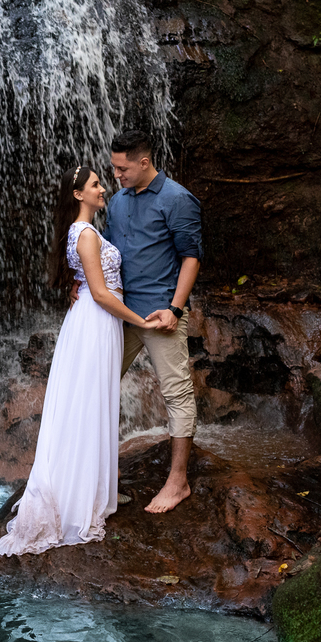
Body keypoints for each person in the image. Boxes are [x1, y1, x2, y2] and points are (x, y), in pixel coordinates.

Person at [0, 165, 162, 556]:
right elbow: (101, 294)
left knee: (91, 402)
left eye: (102, 182)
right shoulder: (85, 234)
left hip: (95, 321)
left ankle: (92, 490)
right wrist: (142, 321)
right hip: (96, 320)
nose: (104, 189)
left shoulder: (84, 233)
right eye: (96, 185)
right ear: (77, 195)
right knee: (88, 404)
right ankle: (79, 498)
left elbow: (90, 284)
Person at [103, 129, 203, 513]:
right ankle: (102, 476)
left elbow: (191, 256)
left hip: (162, 315)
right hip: (122, 315)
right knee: (99, 387)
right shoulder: (117, 201)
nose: (116, 175)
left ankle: (178, 482)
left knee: (177, 395)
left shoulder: (178, 199)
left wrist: (175, 310)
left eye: (121, 168)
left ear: (144, 162)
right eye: (113, 168)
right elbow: (108, 254)